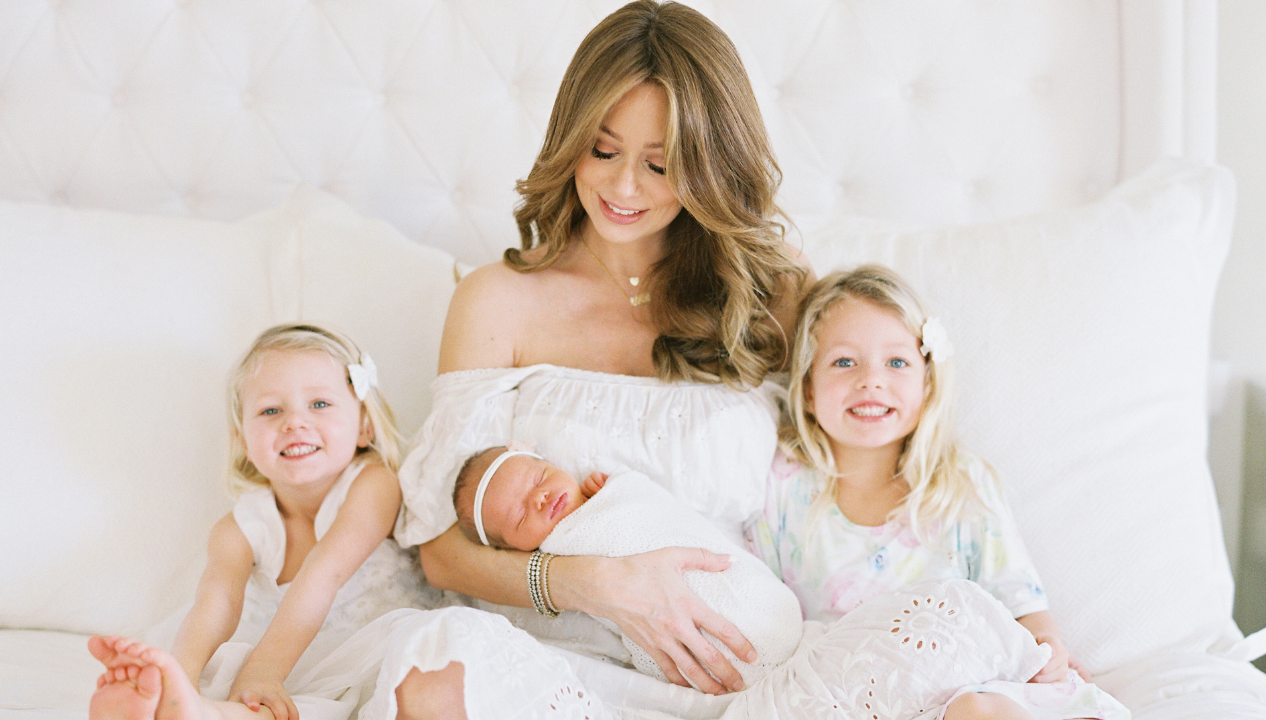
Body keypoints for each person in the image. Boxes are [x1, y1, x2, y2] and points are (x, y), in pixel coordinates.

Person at [372, 1, 813, 718]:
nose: (623, 188)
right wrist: (591, 583)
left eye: (661, 164)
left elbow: (864, 468)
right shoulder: (497, 302)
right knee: (433, 671)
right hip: (546, 659)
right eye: (602, 150)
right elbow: (439, 551)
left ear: (710, 164)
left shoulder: (772, 290)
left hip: (732, 662)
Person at [745, 265, 1129, 720]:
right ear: (807, 388)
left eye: (897, 362)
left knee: (979, 708)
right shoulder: (782, 483)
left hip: (963, 686)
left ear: (927, 384)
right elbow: (765, 614)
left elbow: (1022, 601)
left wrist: (1048, 647)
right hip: (853, 695)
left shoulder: (961, 484)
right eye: (844, 362)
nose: (871, 379)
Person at [86, 323, 431, 720]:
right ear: (244, 441)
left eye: (319, 404)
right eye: (271, 410)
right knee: (246, 689)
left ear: (365, 424)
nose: (294, 422)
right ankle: (183, 704)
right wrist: (178, 672)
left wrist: (266, 671)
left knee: (334, 700)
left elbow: (326, 571)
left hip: (365, 654)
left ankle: (207, 711)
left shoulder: (374, 484)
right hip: (285, 666)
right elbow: (217, 602)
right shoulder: (239, 528)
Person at [451, 445, 804, 688]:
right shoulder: (558, 559)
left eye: (540, 477)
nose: (540, 498)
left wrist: (614, 492)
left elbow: (660, 514)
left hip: (738, 582)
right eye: (520, 514)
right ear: (512, 549)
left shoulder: (610, 490)